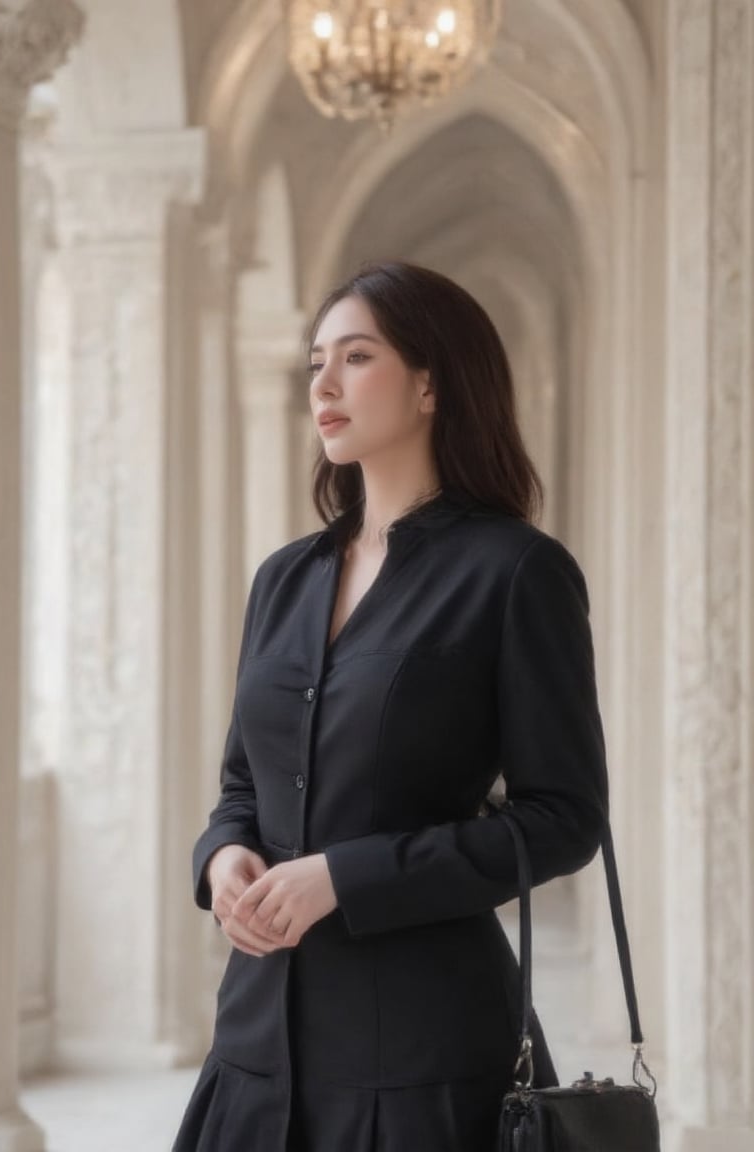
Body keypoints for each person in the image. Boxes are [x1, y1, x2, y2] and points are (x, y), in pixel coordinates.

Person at [172, 262, 609, 1152]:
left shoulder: (515, 572)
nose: (324, 386)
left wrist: (345, 876)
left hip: (424, 1056)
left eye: (357, 357)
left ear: (429, 383)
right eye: (314, 363)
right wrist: (223, 861)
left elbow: (563, 820)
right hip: (258, 1046)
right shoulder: (284, 579)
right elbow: (242, 786)